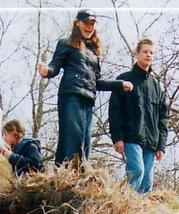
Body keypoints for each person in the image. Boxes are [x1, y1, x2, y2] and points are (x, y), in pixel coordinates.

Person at [37, 9, 133, 168]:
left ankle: (67, 171)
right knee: (73, 135)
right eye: (86, 23)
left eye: (92, 24)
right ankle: (73, 173)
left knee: (85, 140)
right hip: (71, 94)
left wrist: (119, 84)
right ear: (77, 23)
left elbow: (98, 82)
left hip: (88, 98)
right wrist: (47, 71)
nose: (89, 27)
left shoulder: (94, 52)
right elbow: (56, 65)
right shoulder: (66, 43)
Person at [108, 38, 168, 194]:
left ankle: (137, 212)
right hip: (130, 137)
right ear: (137, 54)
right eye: (145, 52)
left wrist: (161, 145)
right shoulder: (124, 79)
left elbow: (163, 117)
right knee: (137, 171)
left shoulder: (156, 85)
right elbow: (115, 110)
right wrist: (117, 137)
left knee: (147, 181)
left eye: (151, 53)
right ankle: (123, 204)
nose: (148, 55)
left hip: (151, 141)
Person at [0, 119, 43, 184]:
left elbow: (35, 164)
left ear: (14, 131)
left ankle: (8, 190)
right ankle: (2, 189)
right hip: (18, 178)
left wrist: (10, 156)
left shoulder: (30, 145)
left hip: (29, 180)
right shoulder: (14, 148)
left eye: (5, 134)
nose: (4, 138)